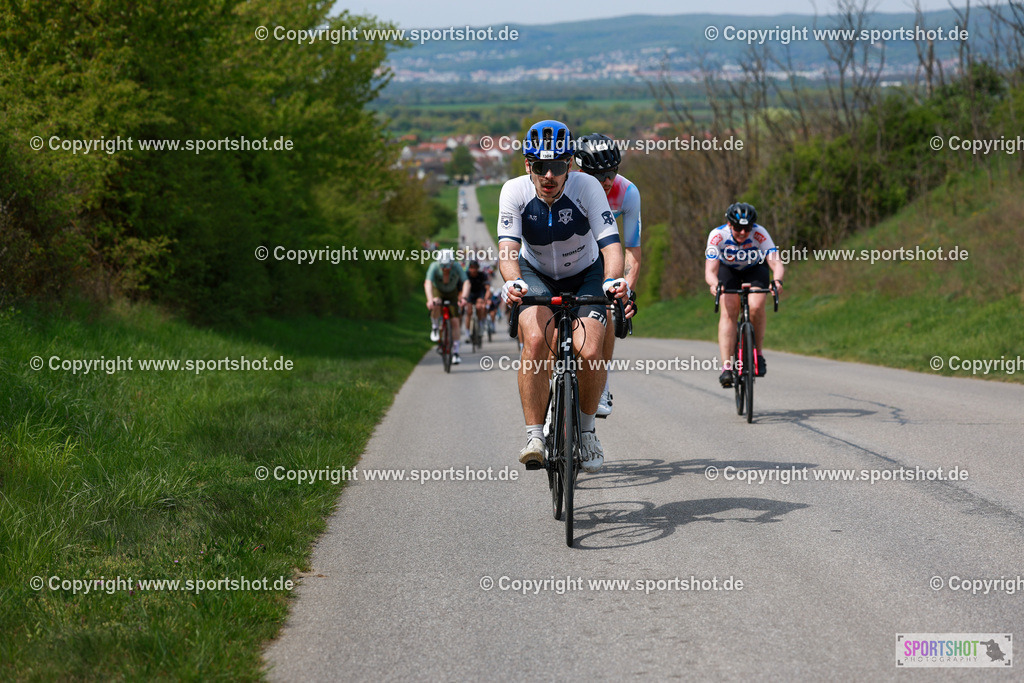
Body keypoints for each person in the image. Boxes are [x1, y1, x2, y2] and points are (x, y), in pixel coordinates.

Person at [498, 120, 628, 473]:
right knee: (537, 340)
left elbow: (612, 246)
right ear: (528, 166)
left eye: (557, 166)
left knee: (589, 350)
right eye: (541, 167)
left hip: (585, 273)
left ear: (569, 164)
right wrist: (513, 283)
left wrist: (614, 280)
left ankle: (586, 433)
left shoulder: (587, 187)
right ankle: (534, 436)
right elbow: (508, 252)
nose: (549, 175)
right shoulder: (513, 192)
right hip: (534, 274)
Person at [573, 133, 640, 418]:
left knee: (609, 308)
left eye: (611, 172)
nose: (607, 181)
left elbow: (633, 250)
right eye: (598, 175)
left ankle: (602, 383)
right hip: (568, 256)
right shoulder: (564, 187)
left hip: (604, 259)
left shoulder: (627, 192)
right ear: (579, 171)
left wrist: (625, 290)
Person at [704, 202, 785, 387]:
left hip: (755, 268)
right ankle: (726, 367)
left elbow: (775, 262)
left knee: (756, 306)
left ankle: (758, 354)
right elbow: (710, 270)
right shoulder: (718, 235)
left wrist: (778, 280)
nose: (742, 232)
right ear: (729, 224)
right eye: (738, 228)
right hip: (728, 270)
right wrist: (715, 284)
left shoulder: (760, 233)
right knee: (729, 310)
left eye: (747, 228)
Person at [424, 250, 468, 364]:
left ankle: (456, 353)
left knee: (455, 322)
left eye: (448, 266)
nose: (445, 269)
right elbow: (428, 282)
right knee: (436, 303)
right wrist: (430, 300)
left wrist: (464, 297)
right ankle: (435, 327)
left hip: (452, 292)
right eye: (442, 266)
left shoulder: (457, 266)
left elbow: (466, 282)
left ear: (452, 263)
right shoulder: (434, 266)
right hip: (438, 290)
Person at [460, 260, 490, 343]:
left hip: (480, 293)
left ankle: (480, 325)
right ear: (469, 268)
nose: (473, 270)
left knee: (479, 307)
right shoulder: (466, 275)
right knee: (469, 312)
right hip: (469, 293)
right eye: (471, 268)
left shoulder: (482, 275)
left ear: (478, 268)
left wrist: (485, 299)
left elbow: (487, 289)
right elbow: (462, 288)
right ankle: (467, 333)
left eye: (475, 268)